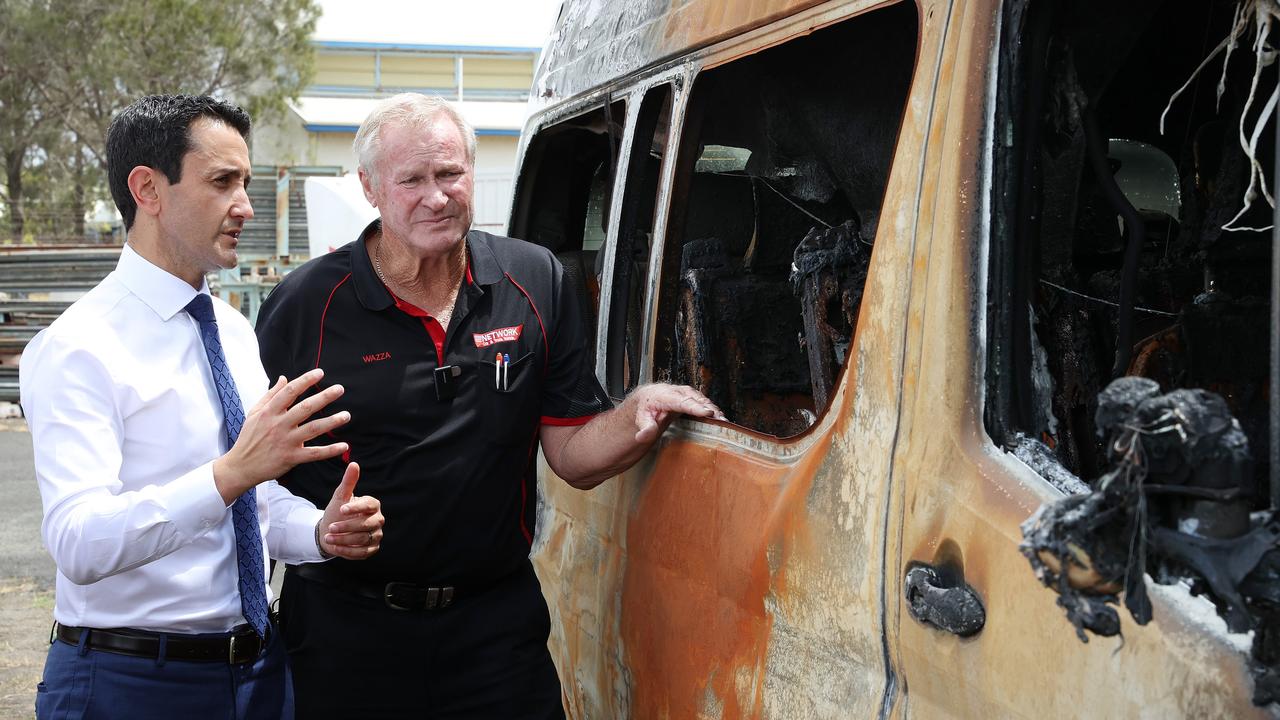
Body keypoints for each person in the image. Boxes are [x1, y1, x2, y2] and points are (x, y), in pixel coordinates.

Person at [254, 92, 723, 718]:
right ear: (369, 187)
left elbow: (573, 454)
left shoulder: (536, 280)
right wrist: (317, 531)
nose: (437, 195)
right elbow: (254, 479)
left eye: (450, 174)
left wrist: (638, 414)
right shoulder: (307, 303)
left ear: (472, 172)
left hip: (494, 627)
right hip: (347, 629)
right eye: (412, 180)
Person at [20, 94, 387, 720]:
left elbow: (258, 508)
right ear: (148, 189)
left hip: (258, 673)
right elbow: (79, 543)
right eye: (222, 182)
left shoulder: (231, 329)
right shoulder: (78, 346)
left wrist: (321, 533)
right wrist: (230, 474)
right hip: (128, 682)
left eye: (244, 181)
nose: (244, 205)